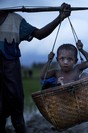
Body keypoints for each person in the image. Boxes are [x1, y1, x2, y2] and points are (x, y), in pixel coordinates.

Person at [0, 3, 71, 133]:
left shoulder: (15, 21)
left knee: (16, 107)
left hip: (11, 71)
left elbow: (38, 34)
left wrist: (60, 17)